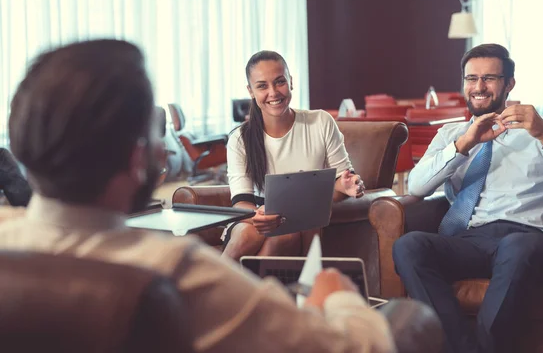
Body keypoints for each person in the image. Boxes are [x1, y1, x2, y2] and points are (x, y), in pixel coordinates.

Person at [0, 39, 396, 352]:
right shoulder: (181, 275)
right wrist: (339, 298)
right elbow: (361, 347)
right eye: (159, 139)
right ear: (142, 156)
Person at [392, 43, 543, 353]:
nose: (478, 87)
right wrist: (466, 142)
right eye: (471, 78)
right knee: (408, 245)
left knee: (518, 245)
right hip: (469, 239)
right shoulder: (451, 135)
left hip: (525, 239)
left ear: (509, 84)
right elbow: (417, 187)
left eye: (489, 78)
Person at [223, 50, 365, 260]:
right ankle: (207, 290)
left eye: (280, 82)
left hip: (303, 219)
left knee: (285, 236)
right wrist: (257, 216)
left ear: (291, 81)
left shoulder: (321, 122)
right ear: (251, 91)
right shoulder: (239, 138)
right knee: (246, 234)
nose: (273, 92)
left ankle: (252, 292)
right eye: (262, 86)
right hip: (255, 215)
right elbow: (241, 201)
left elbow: (341, 181)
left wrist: (346, 185)